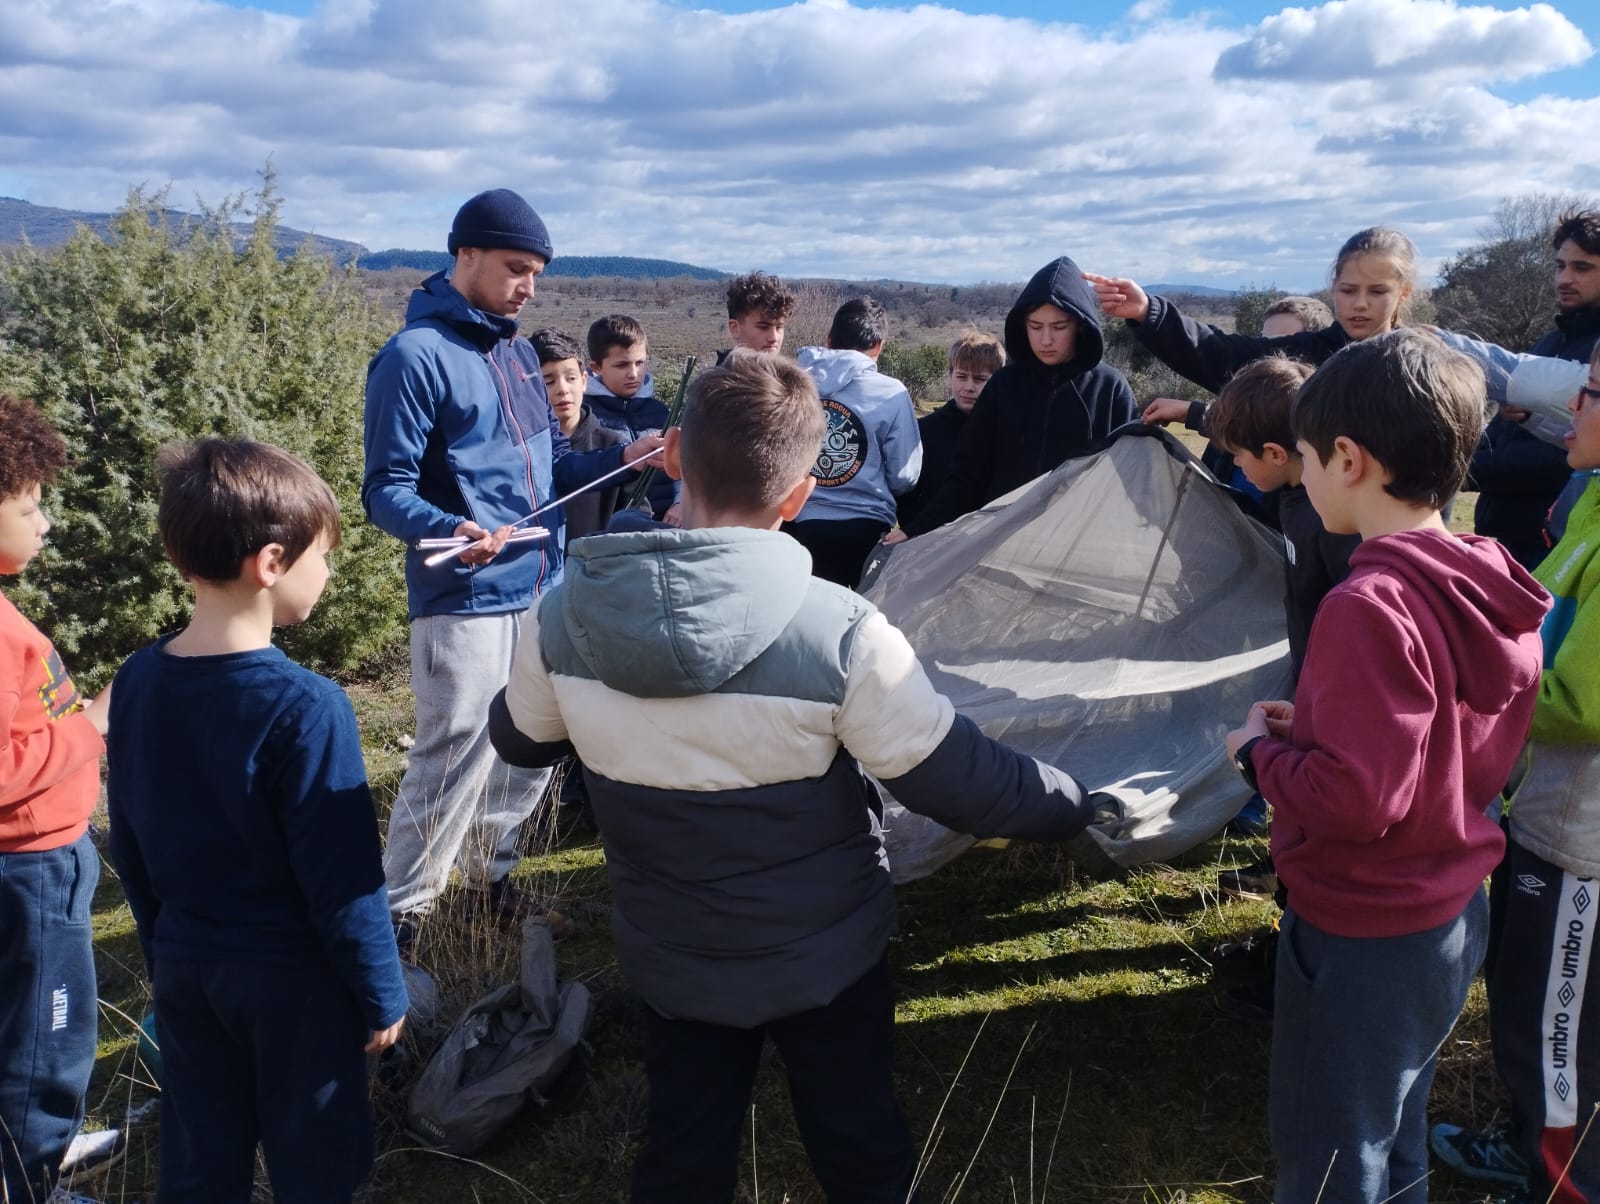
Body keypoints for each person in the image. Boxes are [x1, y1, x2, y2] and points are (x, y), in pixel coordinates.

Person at [487, 350, 1108, 1204]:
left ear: (674, 455)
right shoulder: (844, 632)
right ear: (799, 497)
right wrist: (1074, 802)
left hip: (672, 954)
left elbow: (519, 742)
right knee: (859, 1144)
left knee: (682, 1148)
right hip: (827, 958)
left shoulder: (560, 618)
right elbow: (955, 781)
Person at [1225, 329, 1547, 1204]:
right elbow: (1433, 740)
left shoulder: (1366, 605)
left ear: (1347, 458)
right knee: (1392, 1125)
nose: (1303, 474)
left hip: (1360, 925)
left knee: (1332, 1152)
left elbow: (1356, 800)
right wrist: (1315, 727)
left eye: (1304, 457)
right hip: (1447, 912)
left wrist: (1257, 754)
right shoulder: (1482, 579)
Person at [106, 439, 409, 1204]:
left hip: (188, 969)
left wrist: (163, 953)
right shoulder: (307, 707)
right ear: (272, 562)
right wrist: (382, 993)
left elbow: (129, 841)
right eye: (323, 557)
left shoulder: (136, 681)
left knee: (199, 1166)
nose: (327, 573)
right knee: (319, 1168)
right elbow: (343, 879)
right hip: (293, 986)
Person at [363, 188, 660, 953]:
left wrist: (628, 456)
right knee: (454, 750)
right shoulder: (412, 358)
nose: (528, 286)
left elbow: (555, 465)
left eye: (536, 273)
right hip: (462, 597)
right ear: (465, 255)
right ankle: (402, 926)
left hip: (542, 585)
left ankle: (486, 885)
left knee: (531, 740)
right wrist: (449, 529)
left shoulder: (521, 356)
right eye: (515, 268)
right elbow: (384, 489)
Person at [1430, 343, 1600, 1204]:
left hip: (1580, 833)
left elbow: (1583, 700)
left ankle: (1561, 1180)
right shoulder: (1591, 499)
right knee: (1537, 996)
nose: (1573, 407)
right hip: (1549, 804)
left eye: (1592, 394)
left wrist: (1474, 683)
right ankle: (1532, 1139)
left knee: (1553, 1019)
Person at [1200, 357, 1360, 1018]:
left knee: (1315, 843)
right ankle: (1284, 950)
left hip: (1338, 706)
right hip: (1308, 694)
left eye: (1240, 459)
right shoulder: (1295, 499)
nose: (1237, 469)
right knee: (1290, 835)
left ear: (1274, 453)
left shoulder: (1332, 524)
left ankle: (1300, 979)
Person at [0, 394, 114, 1204]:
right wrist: (92, 726)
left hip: (35, 865)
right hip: (32, 869)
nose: (44, 523)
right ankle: (32, 1183)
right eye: (29, 506)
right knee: (48, 1045)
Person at [891, 256, 1136, 540]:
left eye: (1059, 327)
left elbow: (1132, 479)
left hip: (1077, 544)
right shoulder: (1003, 385)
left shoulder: (1110, 388)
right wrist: (915, 530)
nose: (1046, 339)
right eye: (1035, 326)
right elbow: (968, 476)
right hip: (999, 541)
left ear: (1080, 325)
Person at [1142, 295, 1333, 531]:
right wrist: (1193, 413)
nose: (1267, 358)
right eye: (1263, 343)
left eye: (1283, 348)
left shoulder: (1315, 501)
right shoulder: (1229, 445)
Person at [787, 297, 922, 586]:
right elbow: (904, 476)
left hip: (800, 521)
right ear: (879, 346)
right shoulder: (891, 393)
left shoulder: (794, 384)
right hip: (867, 529)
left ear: (829, 339)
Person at [530, 327, 647, 544]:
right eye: (548, 381)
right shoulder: (524, 451)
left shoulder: (615, 447)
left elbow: (637, 516)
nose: (562, 389)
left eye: (571, 378)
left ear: (584, 380)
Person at [1534, 208, 1600, 548]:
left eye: (1581, 268)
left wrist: (1473, 469)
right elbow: (1501, 432)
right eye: (1560, 266)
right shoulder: (1549, 342)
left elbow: (1558, 458)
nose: (1564, 279)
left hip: (1572, 540)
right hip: (1518, 539)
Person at [894, 332, 1005, 532]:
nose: (969, 387)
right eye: (961, 376)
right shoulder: (923, 431)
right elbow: (905, 495)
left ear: (997, 381)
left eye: (979, 379)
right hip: (930, 539)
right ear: (950, 376)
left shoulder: (1007, 432)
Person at [584, 314, 678, 522]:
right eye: (622, 365)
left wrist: (681, 503)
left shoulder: (661, 412)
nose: (633, 374)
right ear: (596, 368)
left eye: (639, 362)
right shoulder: (586, 417)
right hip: (613, 528)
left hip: (666, 524)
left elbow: (682, 467)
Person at [719, 270, 796, 360]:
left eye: (779, 327)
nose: (774, 338)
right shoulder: (722, 370)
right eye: (763, 327)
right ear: (735, 328)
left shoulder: (794, 368)